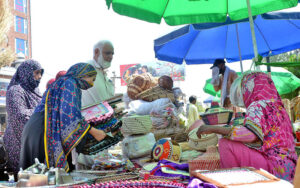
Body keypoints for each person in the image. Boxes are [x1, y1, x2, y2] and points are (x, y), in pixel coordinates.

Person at [196, 71, 297, 182]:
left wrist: (213, 128)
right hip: (290, 170)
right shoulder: (280, 107)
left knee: (225, 143)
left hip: (272, 167)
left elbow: (250, 135)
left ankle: (231, 183)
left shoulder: (258, 105)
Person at [20, 63, 107, 172]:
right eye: (92, 79)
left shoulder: (61, 82)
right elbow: (70, 117)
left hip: (35, 128)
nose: (92, 84)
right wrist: (93, 131)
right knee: (44, 176)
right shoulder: (71, 83)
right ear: (83, 75)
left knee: (33, 176)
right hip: (43, 129)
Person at [3, 60, 43, 176]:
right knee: (24, 179)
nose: (39, 77)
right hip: (19, 144)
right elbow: (19, 116)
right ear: (26, 73)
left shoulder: (36, 92)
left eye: (41, 73)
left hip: (36, 143)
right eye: (36, 73)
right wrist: (43, 112)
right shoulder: (15, 91)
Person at [81, 40, 115, 108]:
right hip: (89, 116)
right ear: (96, 52)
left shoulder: (102, 72)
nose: (111, 57)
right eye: (107, 53)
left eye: (112, 54)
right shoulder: (86, 68)